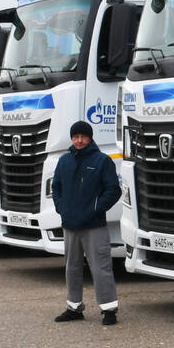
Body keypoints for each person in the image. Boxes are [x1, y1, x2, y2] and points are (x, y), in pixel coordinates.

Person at [51, 120, 122, 325]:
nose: (79, 140)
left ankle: (109, 310)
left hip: (94, 225)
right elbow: (56, 187)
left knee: (101, 267)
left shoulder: (102, 161)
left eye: (83, 136)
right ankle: (74, 308)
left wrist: (95, 209)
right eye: (75, 137)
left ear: (90, 138)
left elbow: (113, 190)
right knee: (71, 267)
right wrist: (62, 208)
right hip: (70, 225)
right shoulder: (64, 161)